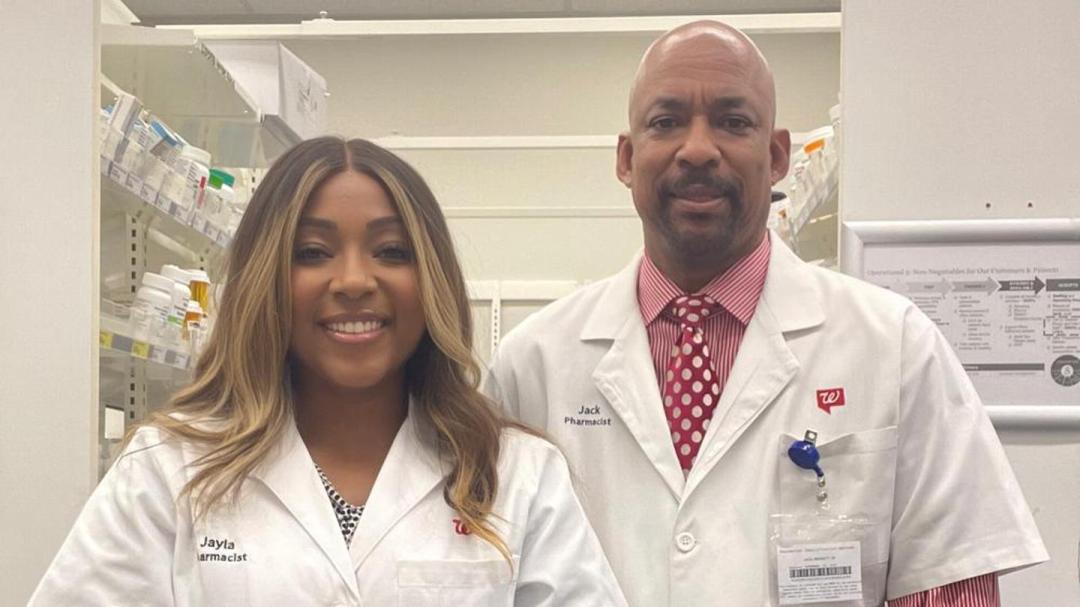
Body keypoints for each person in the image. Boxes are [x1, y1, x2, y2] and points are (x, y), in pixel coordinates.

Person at [484, 20, 1047, 607]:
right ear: (626, 159)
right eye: (666, 122)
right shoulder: (532, 365)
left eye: (732, 122)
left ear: (777, 155)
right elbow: (486, 577)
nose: (697, 149)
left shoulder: (895, 346)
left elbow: (948, 582)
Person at [30, 137, 627, 606]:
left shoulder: (517, 475)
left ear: (432, 279)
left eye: (391, 251)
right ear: (266, 278)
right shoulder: (167, 469)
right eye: (312, 253)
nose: (354, 281)